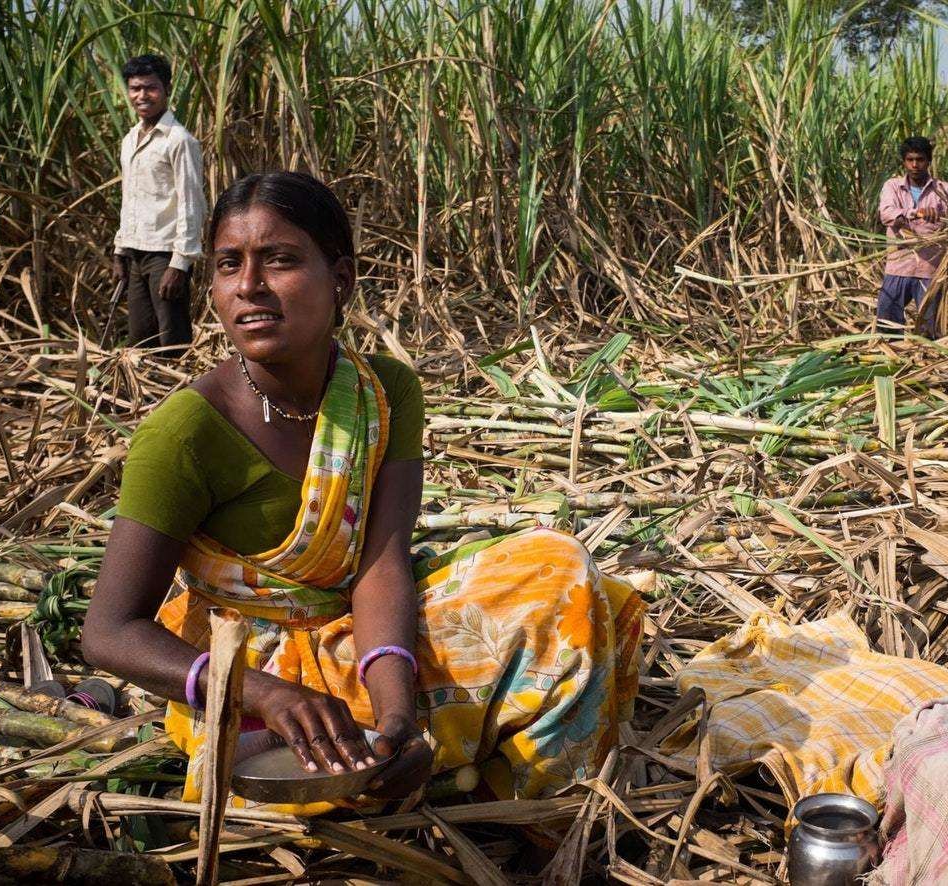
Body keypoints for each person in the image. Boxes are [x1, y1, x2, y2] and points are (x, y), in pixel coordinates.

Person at [82, 172, 643, 813]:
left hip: (369, 634)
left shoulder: (382, 393)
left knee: (560, 572)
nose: (248, 288)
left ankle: (515, 803)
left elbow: (381, 565)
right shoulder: (183, 433)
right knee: (303, 782)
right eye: (228, 265)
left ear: (342, 279)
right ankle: (445, 760)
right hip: (250, 669)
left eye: (280, 261)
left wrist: (397, 712)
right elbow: (109, 632)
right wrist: (262, 694)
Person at [111, 54, 206, 352]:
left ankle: (180, 395)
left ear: (166, 89)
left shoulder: (179, 141)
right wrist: (120, 251)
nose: (142, 96)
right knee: (140, 338)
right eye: (135, 88)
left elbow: (192, 204)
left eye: (150, 88)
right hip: (137, 252)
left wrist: (180, 264)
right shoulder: (130, 140)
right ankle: (145, 398)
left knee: (172, 338)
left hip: (165, 254)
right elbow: (131, 199)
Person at [876, 136, 948, 337]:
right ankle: (888, 362)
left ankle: (928, 364)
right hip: (899, 265)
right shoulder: (892, 187)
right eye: (910, 160)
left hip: (931, 269)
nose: (914, 165)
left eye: (920, 160)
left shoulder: (947, 191)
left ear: (928, 161)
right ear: (904, 161)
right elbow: (887, 213)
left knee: (930, 326)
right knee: (887, 322)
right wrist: (915, 214)